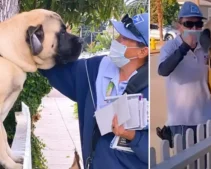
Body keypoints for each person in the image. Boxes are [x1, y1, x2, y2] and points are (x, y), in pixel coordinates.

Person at [40, 13, 149, 169]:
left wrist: (131, 135)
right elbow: (53, 69)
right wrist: (35, 46)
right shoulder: (93, 70)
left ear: (142, 52)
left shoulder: (148, 88)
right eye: (119, 35)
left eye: (124, 39)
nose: (116, 41)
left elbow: (153, 152)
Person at [157, 1, 211, 147]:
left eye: (198, 24)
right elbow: (163, 70)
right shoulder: (170, 47)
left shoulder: (206, 47)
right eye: (189, 24)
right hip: (181, 121)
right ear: (179, 26)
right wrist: (185, 47)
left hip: (206, 117)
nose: (194, 28)